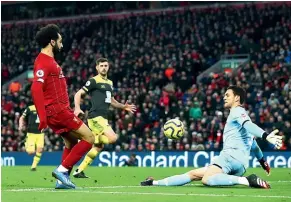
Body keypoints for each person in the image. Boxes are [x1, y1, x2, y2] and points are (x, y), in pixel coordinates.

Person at [141, 85, 282, 188]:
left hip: (229, 158)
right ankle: (154, 182)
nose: (224, 97)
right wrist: (263, 162)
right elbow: (255, 147)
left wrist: (265, 135)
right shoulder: (240, 121)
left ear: (237, 98)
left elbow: (248, 125)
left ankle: (247, 180)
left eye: (228, 95)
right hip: (240, 165)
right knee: (194, 174)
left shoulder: (237, 111)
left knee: (207, 179)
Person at [31, 24, 95, 189]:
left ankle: (61, 181)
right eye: (60, 41)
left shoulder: (48, 61)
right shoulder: (44, 62)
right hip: (57, 110)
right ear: (52, 42)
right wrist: (42, 116)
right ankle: (62, 170)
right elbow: (36, 87)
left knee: (71, 142)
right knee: (89, 138)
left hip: (59, 110)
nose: (62, 44)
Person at [72, 58, 136, 178]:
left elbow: (111, 101)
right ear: (97, 68)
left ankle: (79, 170)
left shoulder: (110, 83)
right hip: (96, 116)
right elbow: (78, 93)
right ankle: (91, 139)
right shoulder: (93, 81)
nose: (104, 68)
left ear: (108, 67)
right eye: (101, 66)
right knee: (113, 138)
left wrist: (123, 106)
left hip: (103, 117)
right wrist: (77, 108)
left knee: (99, 147)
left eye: (106, 65)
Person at [18, 105, 44, 171]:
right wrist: (20, 125)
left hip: (40, 134)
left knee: (40, 149)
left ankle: (34, 166)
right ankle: (25, 142)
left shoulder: (44, 108)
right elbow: (22, 117)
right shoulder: (30, 108)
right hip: (31, 134)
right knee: (30, 152)